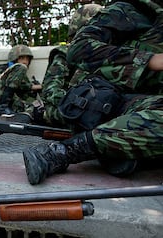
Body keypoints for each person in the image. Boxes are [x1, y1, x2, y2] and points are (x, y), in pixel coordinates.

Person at [23, 0, 163, 185]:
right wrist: (149, 60)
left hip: (146, 106)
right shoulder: (138, 11)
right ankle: (64, 150)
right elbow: (53, 88)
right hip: (102, 104)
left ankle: (118, 148)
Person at [37, 4, 103, 127]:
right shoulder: (65, 54)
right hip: (70, 108)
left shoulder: (108, 53)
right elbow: (50, 89)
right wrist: (75, 102)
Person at [0, 44, 43, 123]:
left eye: (27, 59)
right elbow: (0, 86)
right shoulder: (2, 69)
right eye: (22, 58)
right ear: (14, 59)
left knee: (31, 104)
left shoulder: (21, 74)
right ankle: (2, 109)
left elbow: (22, 90)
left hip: (7, 105)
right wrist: (33, 86)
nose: (25, 61)